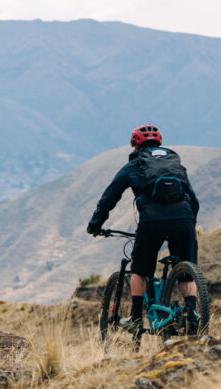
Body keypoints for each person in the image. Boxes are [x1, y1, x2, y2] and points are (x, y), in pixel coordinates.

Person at [86, 124, 200, 331]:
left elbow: (109, 197)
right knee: (186, 270)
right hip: (183, 219)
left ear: (135, 144)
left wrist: (95, 224)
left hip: (152, 221)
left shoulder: (135, 165)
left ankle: (136, 318)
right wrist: (190, 225)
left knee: (139, 269)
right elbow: (194, 200)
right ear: (160, 143)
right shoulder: (174, 163)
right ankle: (192, 315)